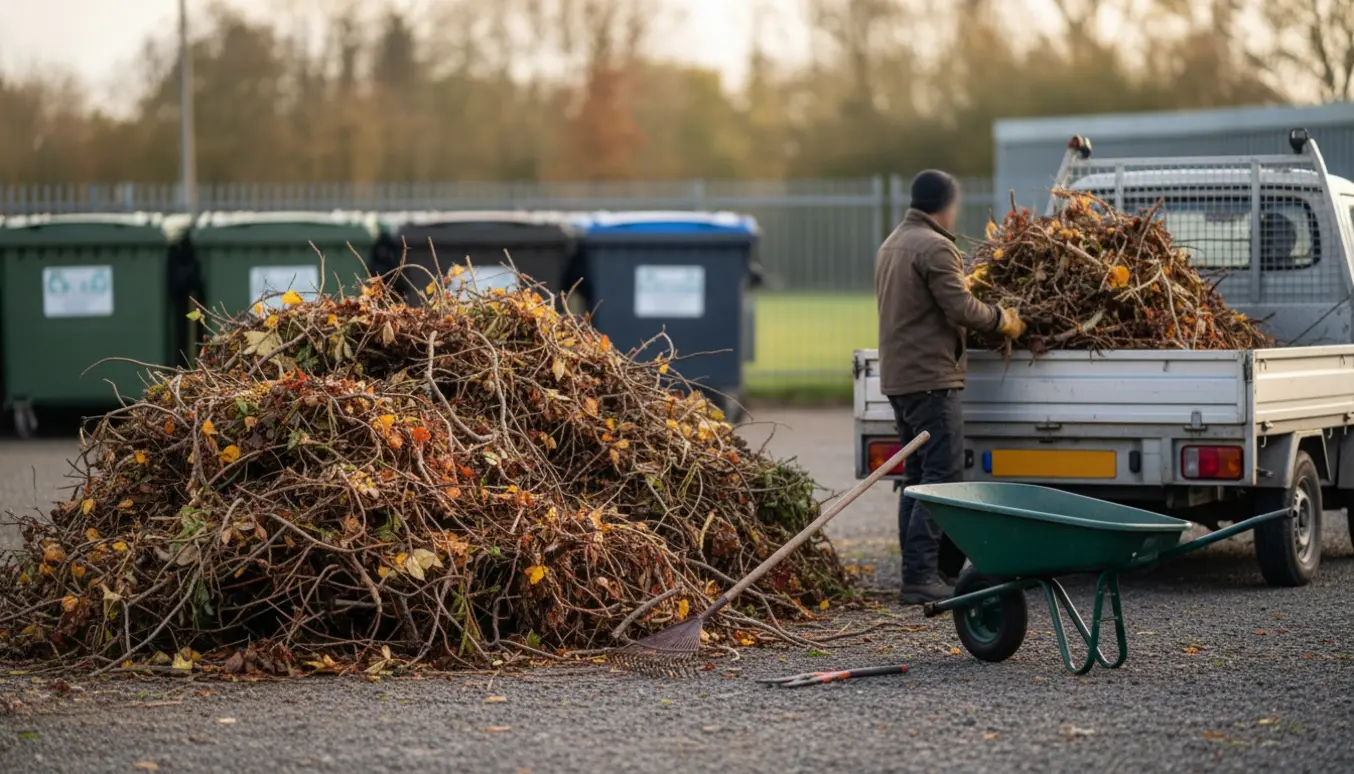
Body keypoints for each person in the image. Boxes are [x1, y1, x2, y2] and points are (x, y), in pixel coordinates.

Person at [874, 170, 1026, 605]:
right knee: (941, 478)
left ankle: (918, 573)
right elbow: (960, 307)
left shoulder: (892, 243)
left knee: (917, 479)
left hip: (900, 378)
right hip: (930, 379)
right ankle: (922, 577)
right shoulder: (935, 246)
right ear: (946, 205)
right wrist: (1003, 320)